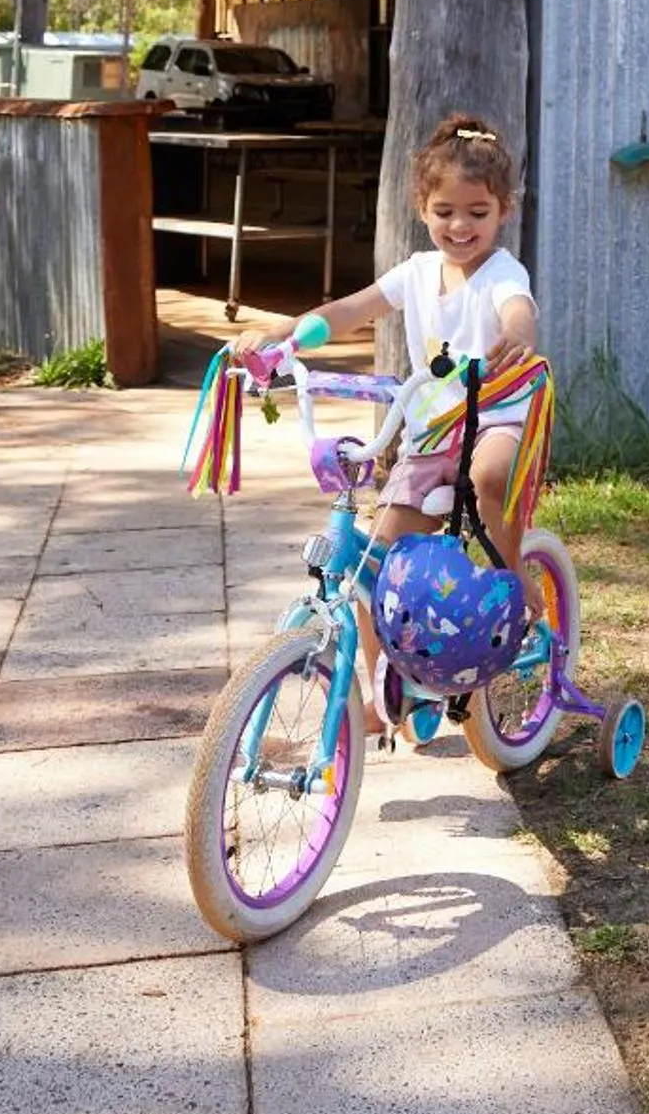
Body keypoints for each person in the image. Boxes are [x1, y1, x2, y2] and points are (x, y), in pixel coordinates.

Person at [234, 112, 545, 715]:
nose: (460, 226)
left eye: (478, 213)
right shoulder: (417, 272)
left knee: (489, 478)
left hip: (496, 413)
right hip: (431, 432)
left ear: (503, 210)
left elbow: (518, 311)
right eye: (445, 211)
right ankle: (384, 692)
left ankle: (515, 575)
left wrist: (517, 335)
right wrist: (286, 338)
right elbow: (349, 310)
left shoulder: (503, 273)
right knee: (376, 567)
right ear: (423, 209)